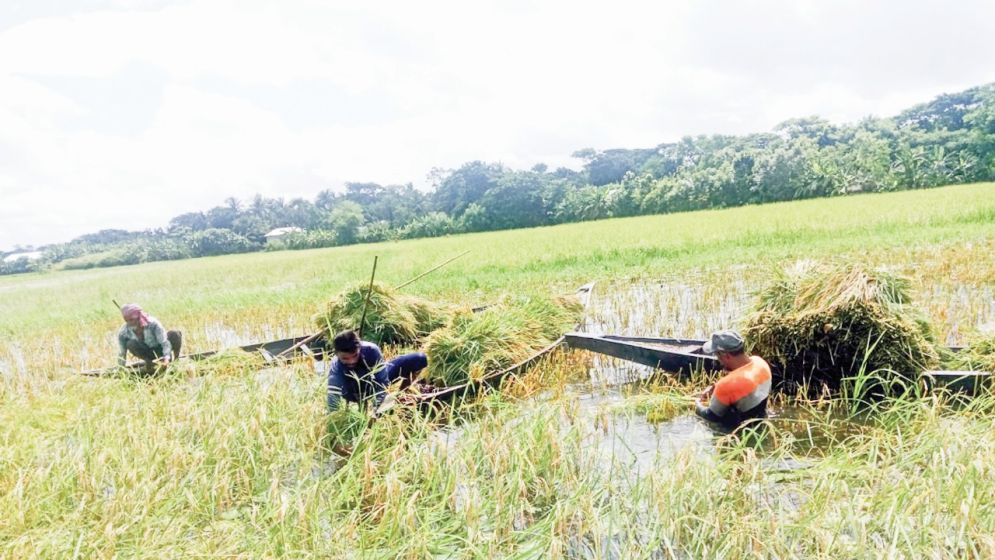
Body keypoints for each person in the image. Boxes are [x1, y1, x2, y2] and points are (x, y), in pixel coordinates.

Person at [326, 330, 428, 413]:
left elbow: (382, 382)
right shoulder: (336, 367)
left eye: (355, 356)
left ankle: (400, 396)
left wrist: (376, 410)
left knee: (419, 358)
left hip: (373, 383)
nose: (351, 361)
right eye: (345, 358)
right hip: (352, 391)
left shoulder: (371, 350)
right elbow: (333, 401)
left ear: (359, 348)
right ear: (336, 354)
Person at [695, 330, 771, 429]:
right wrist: (715, 387)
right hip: (760, 419)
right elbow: (740, 381)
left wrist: (698, 405)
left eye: (717, 355)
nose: (718, 359)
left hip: (738, 431)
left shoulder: (725, 385)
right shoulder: (760, 362)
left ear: (726, 355)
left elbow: (711, 416)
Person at [117, 304, 182, 368]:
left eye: (131, 320)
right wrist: (121, 368)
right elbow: (122, 353)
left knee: (175, 334)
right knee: (130, 344)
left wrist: (166, 358)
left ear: (139, 317)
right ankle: (149, 363)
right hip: (147, 353)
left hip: (160, 349)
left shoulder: (153, 324)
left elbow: (164, 342)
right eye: (126, 320)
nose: (129, 323)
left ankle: (176, 359)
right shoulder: (124, 332)